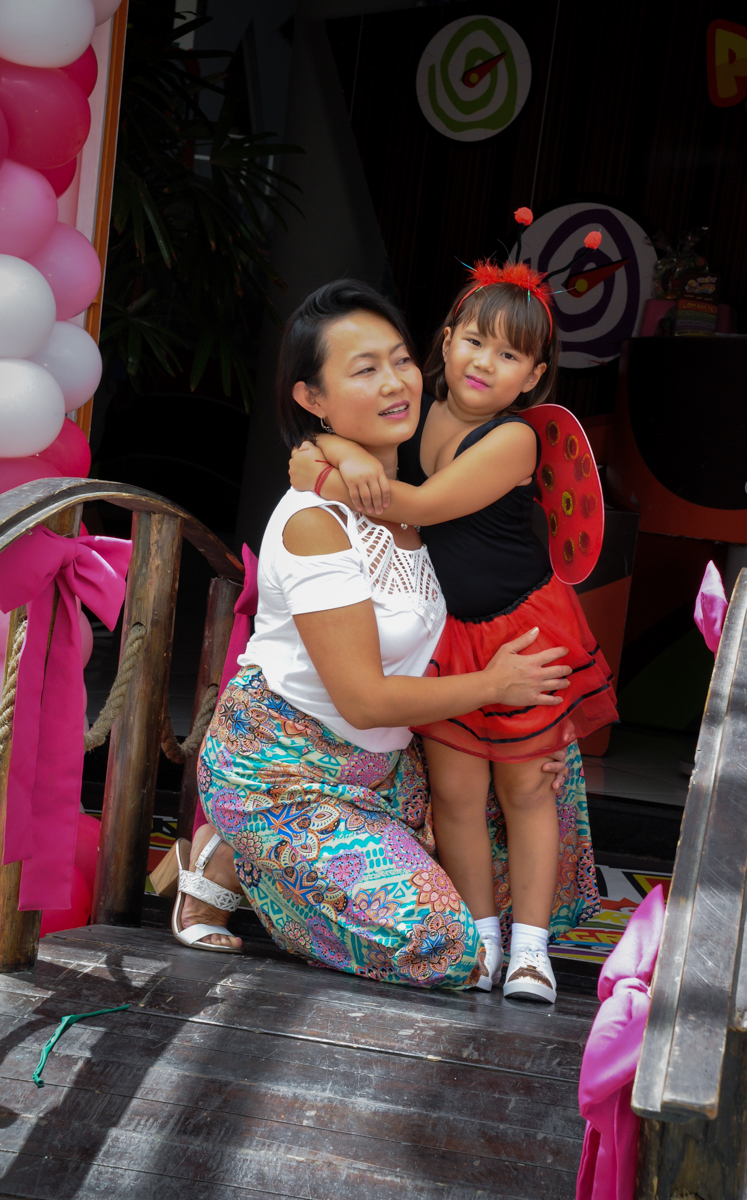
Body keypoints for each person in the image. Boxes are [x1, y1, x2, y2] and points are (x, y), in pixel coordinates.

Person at [151, 279, 573, 991]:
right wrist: (496, 686)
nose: (394, 383)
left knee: (524, 816)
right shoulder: (318, 521)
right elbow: (364, 699)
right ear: (312, 398)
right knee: (450, 949)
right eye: (364, 370)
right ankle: (249, 860)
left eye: (400, 360)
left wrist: (536, 723)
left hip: (386, 769)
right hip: (286, 769)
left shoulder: (419, 493)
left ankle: (253, 856)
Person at [289, 261, 616, 1003]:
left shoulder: (514, 439)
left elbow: (421, 506)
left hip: (521, 631)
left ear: (533, 378)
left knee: (526, 789)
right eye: (474, 341)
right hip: (450, 630)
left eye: (509, 355)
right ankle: (482, 938)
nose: (484, 363)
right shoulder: (418, 414)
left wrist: (321, 470)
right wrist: (336, 449)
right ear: (445, 341)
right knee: (457, 795)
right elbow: (340, 447)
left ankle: (530, 949)